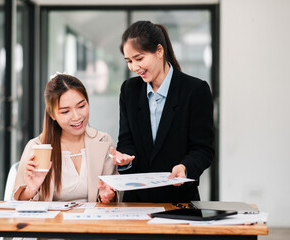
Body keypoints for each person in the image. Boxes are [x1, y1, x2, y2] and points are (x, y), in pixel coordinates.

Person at [109, 20, 214, 203]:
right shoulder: (129, 90)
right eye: (129, 61)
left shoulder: (195, 90)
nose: (134, 67)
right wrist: (125, 158)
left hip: (178, 199)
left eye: (139, 59)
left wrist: (185, 167)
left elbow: (203, 149)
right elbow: (126, 141)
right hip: (136, 201)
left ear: (159, 51)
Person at [13, 73, 117, 203]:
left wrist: (109, 196)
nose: (76, 117)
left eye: (81, 106)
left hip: (92, 222)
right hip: (53, 223)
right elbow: (17, 204)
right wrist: (31, 189)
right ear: (52, 115)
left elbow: (114, 197)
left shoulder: (104, 142)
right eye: (65, 111)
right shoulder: (36, 146)